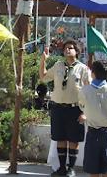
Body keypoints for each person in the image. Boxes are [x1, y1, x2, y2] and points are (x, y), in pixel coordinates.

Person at [39, 39, 91, 177]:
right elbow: (43, 77)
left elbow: (89, 91)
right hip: (58, 108)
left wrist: (85, 112)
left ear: (77, 51)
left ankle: (71, 168)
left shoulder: (83, 68)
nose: (67, 50)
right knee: (60, 138)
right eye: (66, 48)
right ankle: (61, 168)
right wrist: (43, 60)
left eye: (71, 48)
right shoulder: (58, 65)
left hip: (75, 109)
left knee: (73, 140)